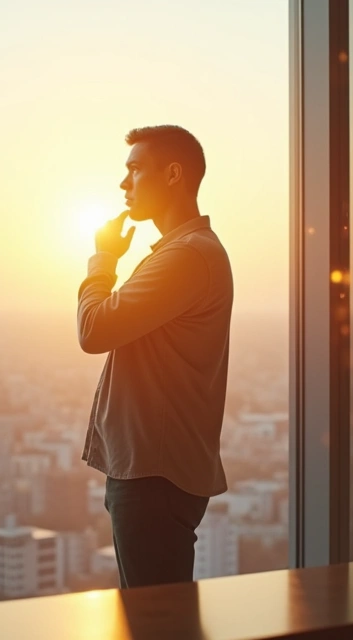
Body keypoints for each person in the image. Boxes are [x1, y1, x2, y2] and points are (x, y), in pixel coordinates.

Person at [76, 125, 234, 588]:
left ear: (172, 174)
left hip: (154, 476)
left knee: (157, 622)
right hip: (153, 470)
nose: (124, 184)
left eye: (134, 170)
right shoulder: (184, 252)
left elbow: (94, 329)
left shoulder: (187, 256)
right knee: (156, 615)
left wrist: (102, 260)